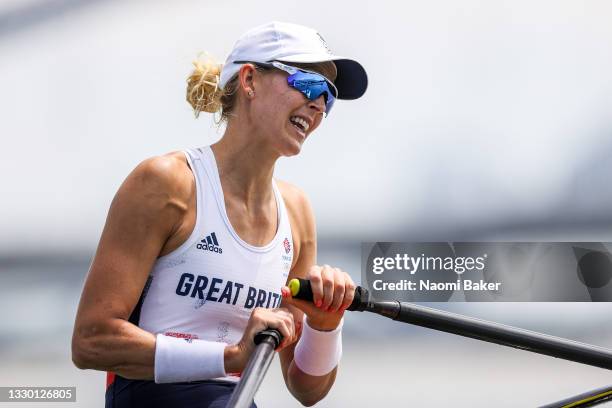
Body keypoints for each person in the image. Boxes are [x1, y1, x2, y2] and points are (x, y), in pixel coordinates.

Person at [71, 21, 368, 408]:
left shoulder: (297, 212)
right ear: (249, 81)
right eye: (308, 82)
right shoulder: (168, 184)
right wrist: (230, 356)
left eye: (328, 96)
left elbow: (306, 389)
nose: (318, 104)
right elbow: (91, 342)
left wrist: (325, 325)